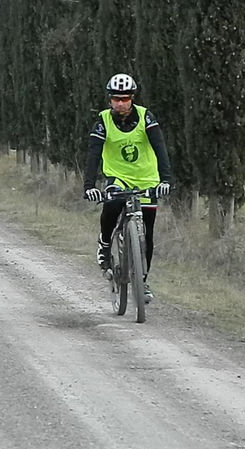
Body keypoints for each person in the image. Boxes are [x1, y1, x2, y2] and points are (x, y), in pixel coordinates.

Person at [83, 73, 172, 301]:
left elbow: (159, 147)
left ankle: (142, 281)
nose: (120, 103)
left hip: (146, 179)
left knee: (147, 234)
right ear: (110, 99)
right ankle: (104, 244)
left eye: (125, 99)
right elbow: (93, 154)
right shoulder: (103, 121)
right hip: (119, 177)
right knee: (111, 205)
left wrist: (166, 180)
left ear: (132, 98)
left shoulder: (145, 117)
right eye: (116, 99)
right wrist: (89, 185)